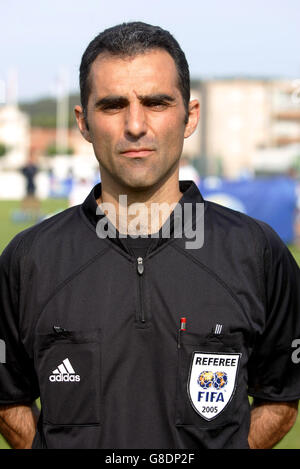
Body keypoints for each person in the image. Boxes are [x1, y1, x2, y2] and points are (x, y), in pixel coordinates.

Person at [0, 22, 299, 450]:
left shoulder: (257, 251)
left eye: (156, 103)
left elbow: (282, 396)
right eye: (113, 105)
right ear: (83, 122)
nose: (135, 125)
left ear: (189, 116)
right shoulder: (28, 260)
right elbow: (8, 397)